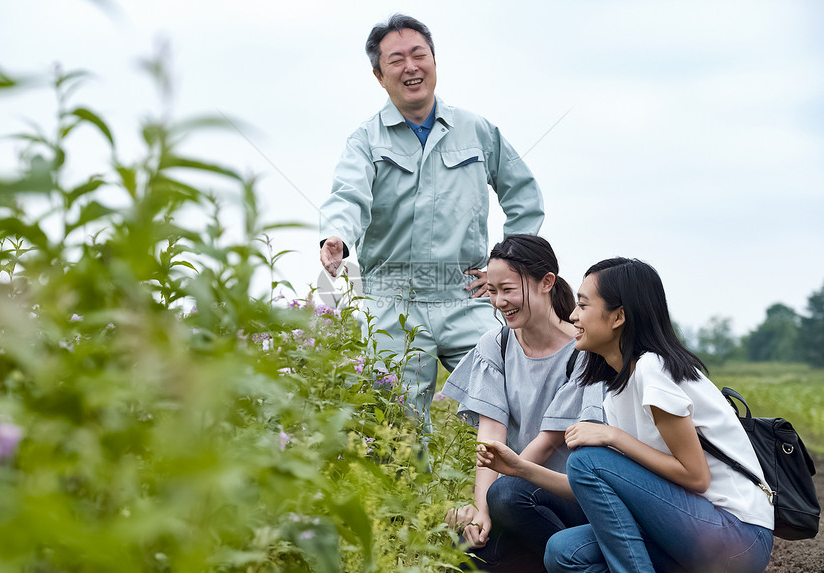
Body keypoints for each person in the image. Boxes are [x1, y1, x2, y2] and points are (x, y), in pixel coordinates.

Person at [477, 258, 774, 573]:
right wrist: (520, 468)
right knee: (564, 552)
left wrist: (612, 437)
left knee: (585, 458)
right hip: (684, 530)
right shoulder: (616, 390)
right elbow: (591, 486)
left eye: (583, 305)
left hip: (736, 537)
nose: (573, 316)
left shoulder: (654, 369)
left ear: (618, 316)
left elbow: (696, 476)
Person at [318, 14, 544, 427]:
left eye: (419, 54)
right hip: (391, 300)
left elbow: (523, 193)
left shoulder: (477, 130)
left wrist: (512, 265)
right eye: (396, 60)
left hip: (466, 294)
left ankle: (516, 492)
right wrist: (337, 237)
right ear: (379, 75)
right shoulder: (366, 139)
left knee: (512, 407)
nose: (411, 67)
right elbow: (348, 194)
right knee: (393, 428)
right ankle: (409, 491)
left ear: (434, 62)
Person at [441, 235, 604, 572]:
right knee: (465, 543)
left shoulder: (581, 352)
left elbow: (548, 442)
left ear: (547, 283)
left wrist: (492, 503)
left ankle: (585, 561)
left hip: (566, 496)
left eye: (509, 289)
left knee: (507, 498)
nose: (500, 301)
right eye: (493, 290)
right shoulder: (496, 344)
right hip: (510, 494)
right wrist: (481, 514)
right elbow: (491, 436)